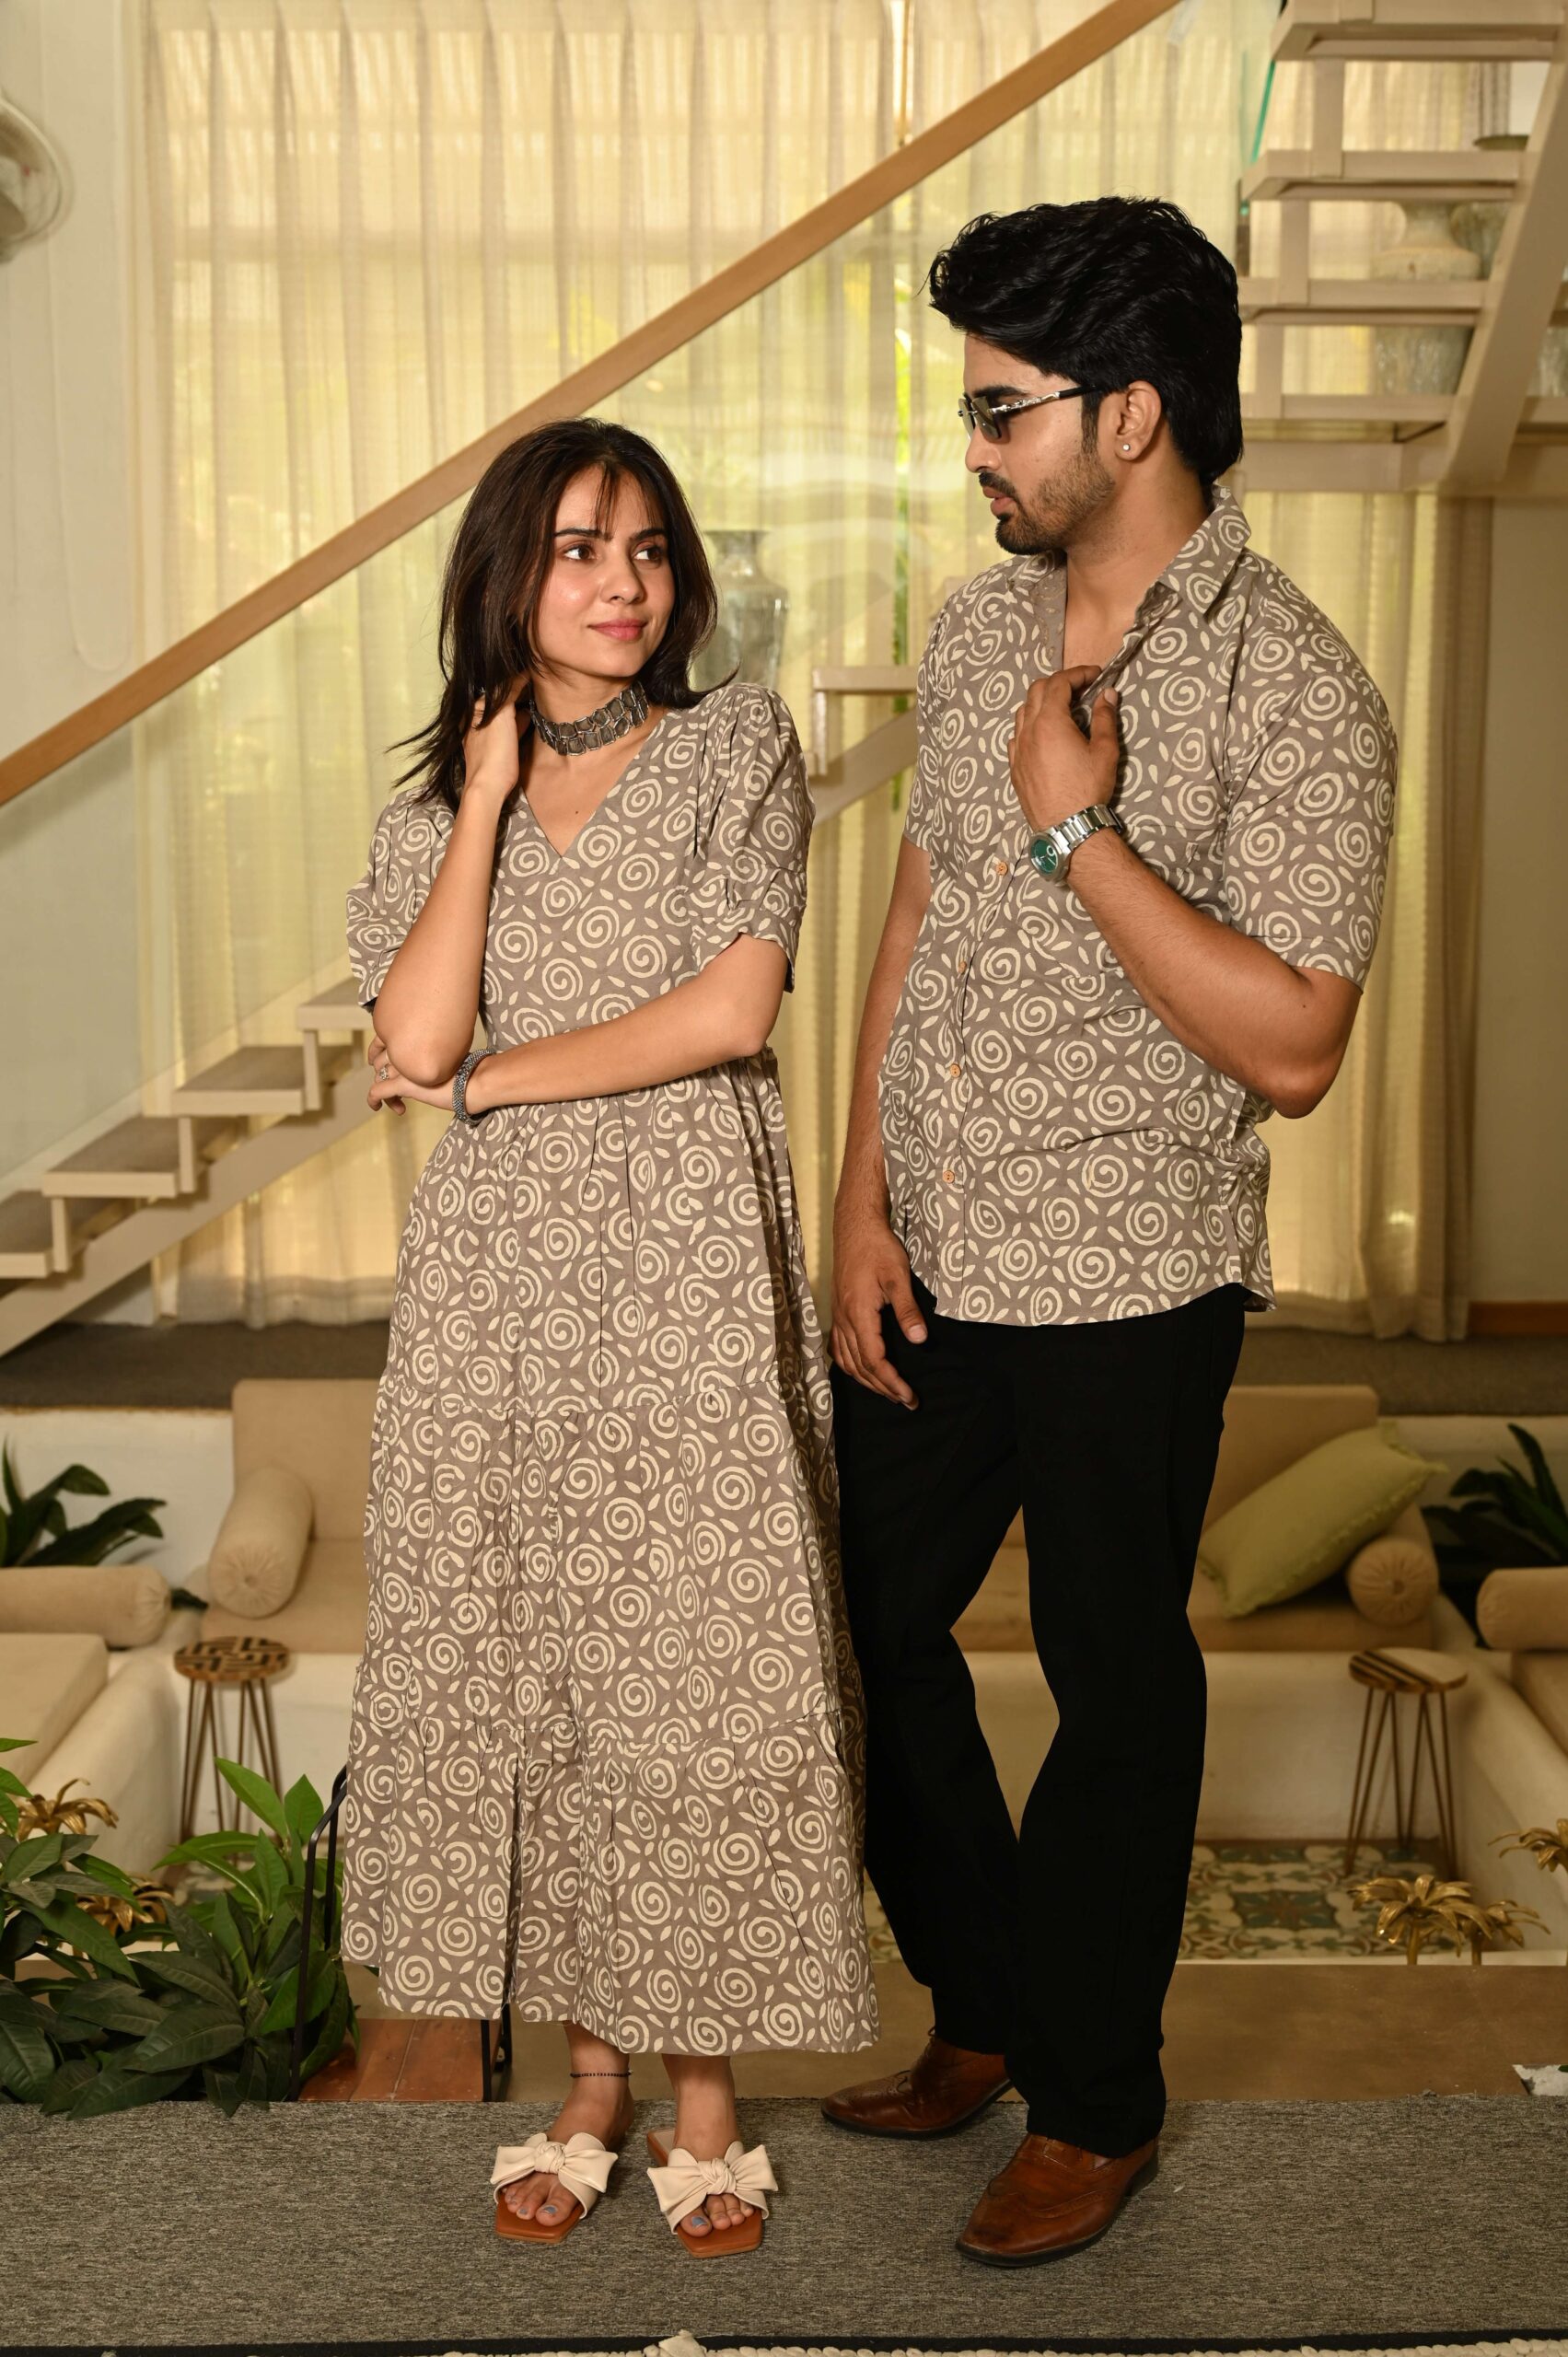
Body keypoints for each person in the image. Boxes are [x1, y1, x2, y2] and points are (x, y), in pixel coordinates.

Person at [822, 196, 1396, 2266]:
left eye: (1003, 409)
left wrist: (1084, 828)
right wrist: (862, 1191)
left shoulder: (1300, 686)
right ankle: (987, 1998)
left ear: (1129, 411)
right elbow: (916, 906)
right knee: (861, 1629)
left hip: (1131, 1268)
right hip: (934, 1242)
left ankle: (1094, 2100)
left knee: (1110, 1682)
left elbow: (1301, 1044)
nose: (972, 445)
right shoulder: (981, 624)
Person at [340, 417, 877, 2257]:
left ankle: (705, 2095)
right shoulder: (430, 816)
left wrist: (493, 1085)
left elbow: (729, 1012)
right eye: (580, 549)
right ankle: (589, 2085)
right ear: (509, 575)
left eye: (648, 549)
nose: (625, 584)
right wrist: (486, 799)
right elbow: (414, 1033)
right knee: (542, 1671)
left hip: (686, 1267)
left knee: (696, 1667)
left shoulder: (738, 748)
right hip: (498, 1298)